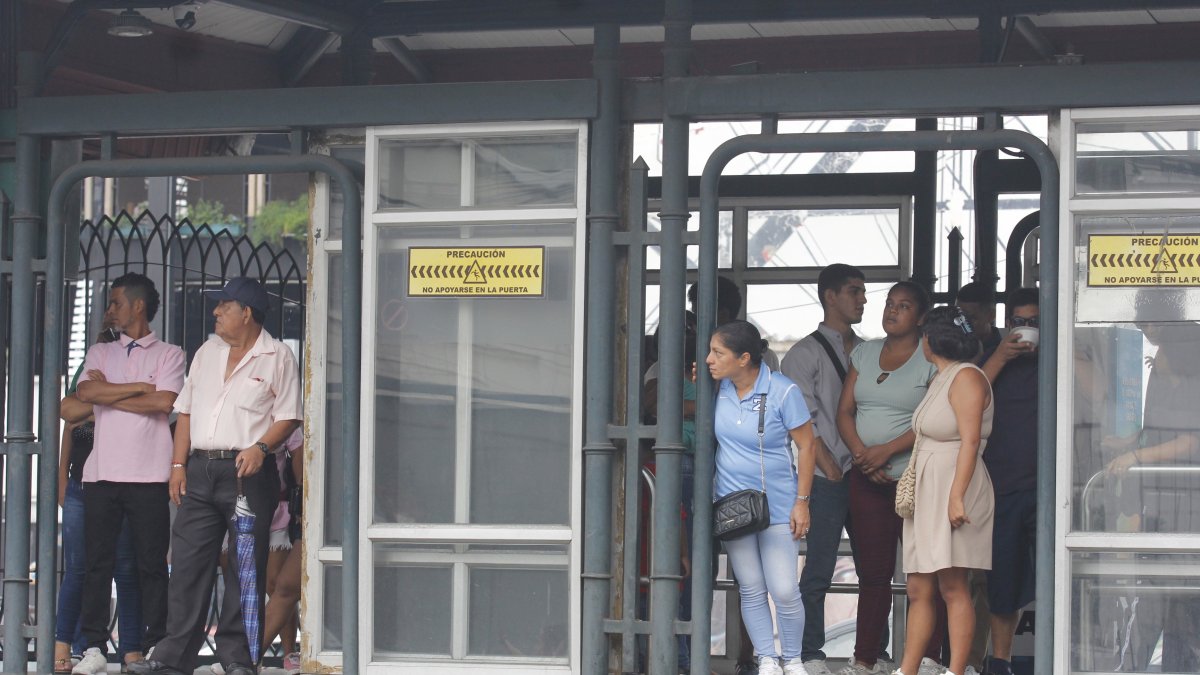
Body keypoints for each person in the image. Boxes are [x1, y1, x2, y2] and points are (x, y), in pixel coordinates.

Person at [131, 277, 301, 675]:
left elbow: (289, 416)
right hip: (200, 468)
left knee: (245, 567)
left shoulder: (277, 356)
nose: (216, 312)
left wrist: (261, 449)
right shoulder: (207, 352)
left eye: (224, 305)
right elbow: (186, 412)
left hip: (247, 471)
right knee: (188, 564)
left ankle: (237, 659)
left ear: (247, 313)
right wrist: (177, 466)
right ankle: (173, 657)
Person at [73, 273, 186, 675]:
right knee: (97, 564)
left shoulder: (170, 354)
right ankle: (93, 647)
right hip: (101, 474)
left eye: (116, 302)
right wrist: (140, 387)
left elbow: (165, 403)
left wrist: (113, 393)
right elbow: (86, 394)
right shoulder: (100, 352)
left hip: (150, 474)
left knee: (151, 565)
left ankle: (155, 646)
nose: (111, 310)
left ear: (138, 306)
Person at [835, 282, 945, 675]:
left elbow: (935, 418)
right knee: (873, 573)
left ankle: (929, 660)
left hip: (915, 481)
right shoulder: (864, 353)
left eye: (904, 306)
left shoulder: (931, 358)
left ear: (921, 316)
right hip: (866, 480)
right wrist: (863, 454)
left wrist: (886, 451)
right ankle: (866, 659)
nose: (892, 311)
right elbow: (844, 411)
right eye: (889, 304)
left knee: (924, 575)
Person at [709, 320, 816, 675]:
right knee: (751, 588)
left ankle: (793, 660)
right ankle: (767, 659)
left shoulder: (783, 391)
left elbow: (807, 446)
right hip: (732, 506)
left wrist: (802, 501)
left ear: (743, 358)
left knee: (784, 589)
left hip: (780, 505)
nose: (709, 359)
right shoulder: (716, 389)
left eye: (717, 353)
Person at [893, 306, 994, 675]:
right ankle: (907, 670)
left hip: (955, 483)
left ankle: (956, 671)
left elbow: (970, 441)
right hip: (929, 485)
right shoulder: (942, 376)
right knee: (919, 587)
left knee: (953, 586)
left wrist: (956, 496)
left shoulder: (966, 376)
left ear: (930, 340)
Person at [779, 263, 866, 675]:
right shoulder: (803, 353)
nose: (863, 300)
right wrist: (830, 468)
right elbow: (802, 423)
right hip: (827, 476)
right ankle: (809, 653)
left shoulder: (868, 351)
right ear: (830, 296)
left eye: (863, 291)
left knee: (874, 570)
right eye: (854, 291)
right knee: (817, 570)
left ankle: (871, 654)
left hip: (866, 472)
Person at [56, 323, 145, 673]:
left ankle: (131, 649)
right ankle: (67, 644)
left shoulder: (134, 373)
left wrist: (104, 396)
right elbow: (68, 416)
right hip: (80, 483)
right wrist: (61, 478)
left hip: (120, 482)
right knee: (79, 567)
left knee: (124, 567)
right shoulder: (87, 376)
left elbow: (148, 407)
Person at [977, 288, 1039, 675]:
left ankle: (1058, 658)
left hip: (1050, 492)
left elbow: (1095, 392)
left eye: (1034, 322)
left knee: (1054, 578)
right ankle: (1000, 663)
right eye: (1019, 322)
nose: (1026, 328)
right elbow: (971, 393)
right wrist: (1002, 354)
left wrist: (1055, 346)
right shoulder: (992, 358)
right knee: (1002, 584)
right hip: (1001, 488)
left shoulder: (1060, 356)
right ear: (1007, 323)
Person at [261, 428, 304, 673]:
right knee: (239, 583)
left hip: (278, 504)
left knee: (279, 584)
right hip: (232, 503)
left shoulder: (286, 420)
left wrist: (300, 495)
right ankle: (240, 657)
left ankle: (289, 653)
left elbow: (298, 450)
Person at [955, 283, 1003, 354]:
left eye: (970, 318)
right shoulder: (951, 347)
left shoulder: (1003, 353)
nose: (962, 324)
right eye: (958, 317)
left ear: (991, 316)